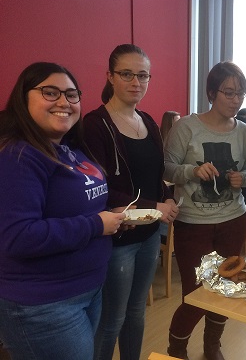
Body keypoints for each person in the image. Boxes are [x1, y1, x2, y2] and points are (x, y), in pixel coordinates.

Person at [0, 62, 125, 360]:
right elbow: (18, 236)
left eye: (71, 95)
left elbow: (78, 205)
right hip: (45, 304)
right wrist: (97, 224)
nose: (63, 102)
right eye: (50, 92)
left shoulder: (68, 148)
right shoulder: (18, 156)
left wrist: (113, 217)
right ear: (23, 98)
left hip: (87, 288)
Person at [83, 44, 179, 360]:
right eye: (127, 74)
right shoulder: (94, 125)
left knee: (137, 311)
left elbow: (156, 173)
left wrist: (166, 198)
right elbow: (100, 188)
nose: (135, 82)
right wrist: (155, 205)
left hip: (149, 236)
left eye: (142, 75)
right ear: (110, 76)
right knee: (113, 319)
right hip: (119, 238)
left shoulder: (148, 121)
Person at [164, 61, 246, 360]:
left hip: (233, 220)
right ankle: (176, 350)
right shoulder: (186, 127)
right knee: (197, 293)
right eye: (229, 92)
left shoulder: (244, 131)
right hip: (193, 223)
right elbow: (166, 168)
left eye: (241, 93)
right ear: (212, 93)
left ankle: (212, 346)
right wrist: (192, 171)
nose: (236, 100)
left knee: (225, 287)